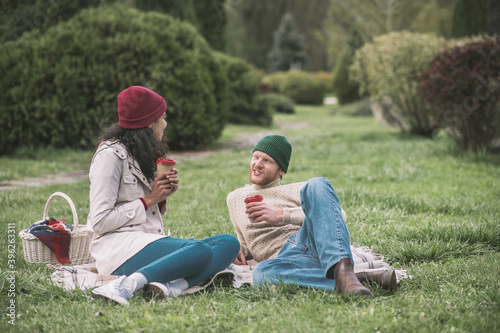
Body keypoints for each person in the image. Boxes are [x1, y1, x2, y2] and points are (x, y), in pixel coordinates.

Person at [88, 86, 240, 306]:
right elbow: (100, 221)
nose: (165, 124)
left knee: (228, 243)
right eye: (163, 118)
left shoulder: (140, 151)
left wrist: (162, 195)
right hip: (118, 250)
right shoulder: (109, 156)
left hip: (145, 241)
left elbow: (148, 207)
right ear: (150, 123)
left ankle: (172, 287)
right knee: (200, 251)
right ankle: (125, 285)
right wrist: (149, 200)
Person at [227, 135, 396, 297]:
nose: (257, 164)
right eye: (255, 157)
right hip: (283, 261)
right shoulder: (234, 198)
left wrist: (281, 215)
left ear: (281, 171)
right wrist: (236, 251)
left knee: (317, 183)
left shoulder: (298, 189)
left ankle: (342, 268)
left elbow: (339, 216)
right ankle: (359, 279)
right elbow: (246, 244)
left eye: (267, 161)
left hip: (310, 244)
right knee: (262, 274)